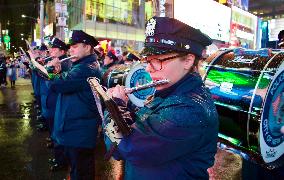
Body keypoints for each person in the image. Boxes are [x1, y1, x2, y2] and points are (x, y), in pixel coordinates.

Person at [104, 16, 219, 179]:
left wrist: (114, 106)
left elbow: (127, 147)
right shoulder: (168, 91)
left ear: (187, 60)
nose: (149, 70)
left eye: (157, 60)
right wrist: (127, 107)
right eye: (148, 61)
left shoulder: (189, 109)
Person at [47, 30, 102, 179]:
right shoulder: (82, 64)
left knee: (82, 171)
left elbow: (58, 84)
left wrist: (52, 70)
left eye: (75, 46)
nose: (71, 49)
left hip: (79, 132)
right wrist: (58, 72)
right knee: (78, 168)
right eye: (71, 46)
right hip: (76, 129)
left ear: (87, 47)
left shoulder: (86, 68)